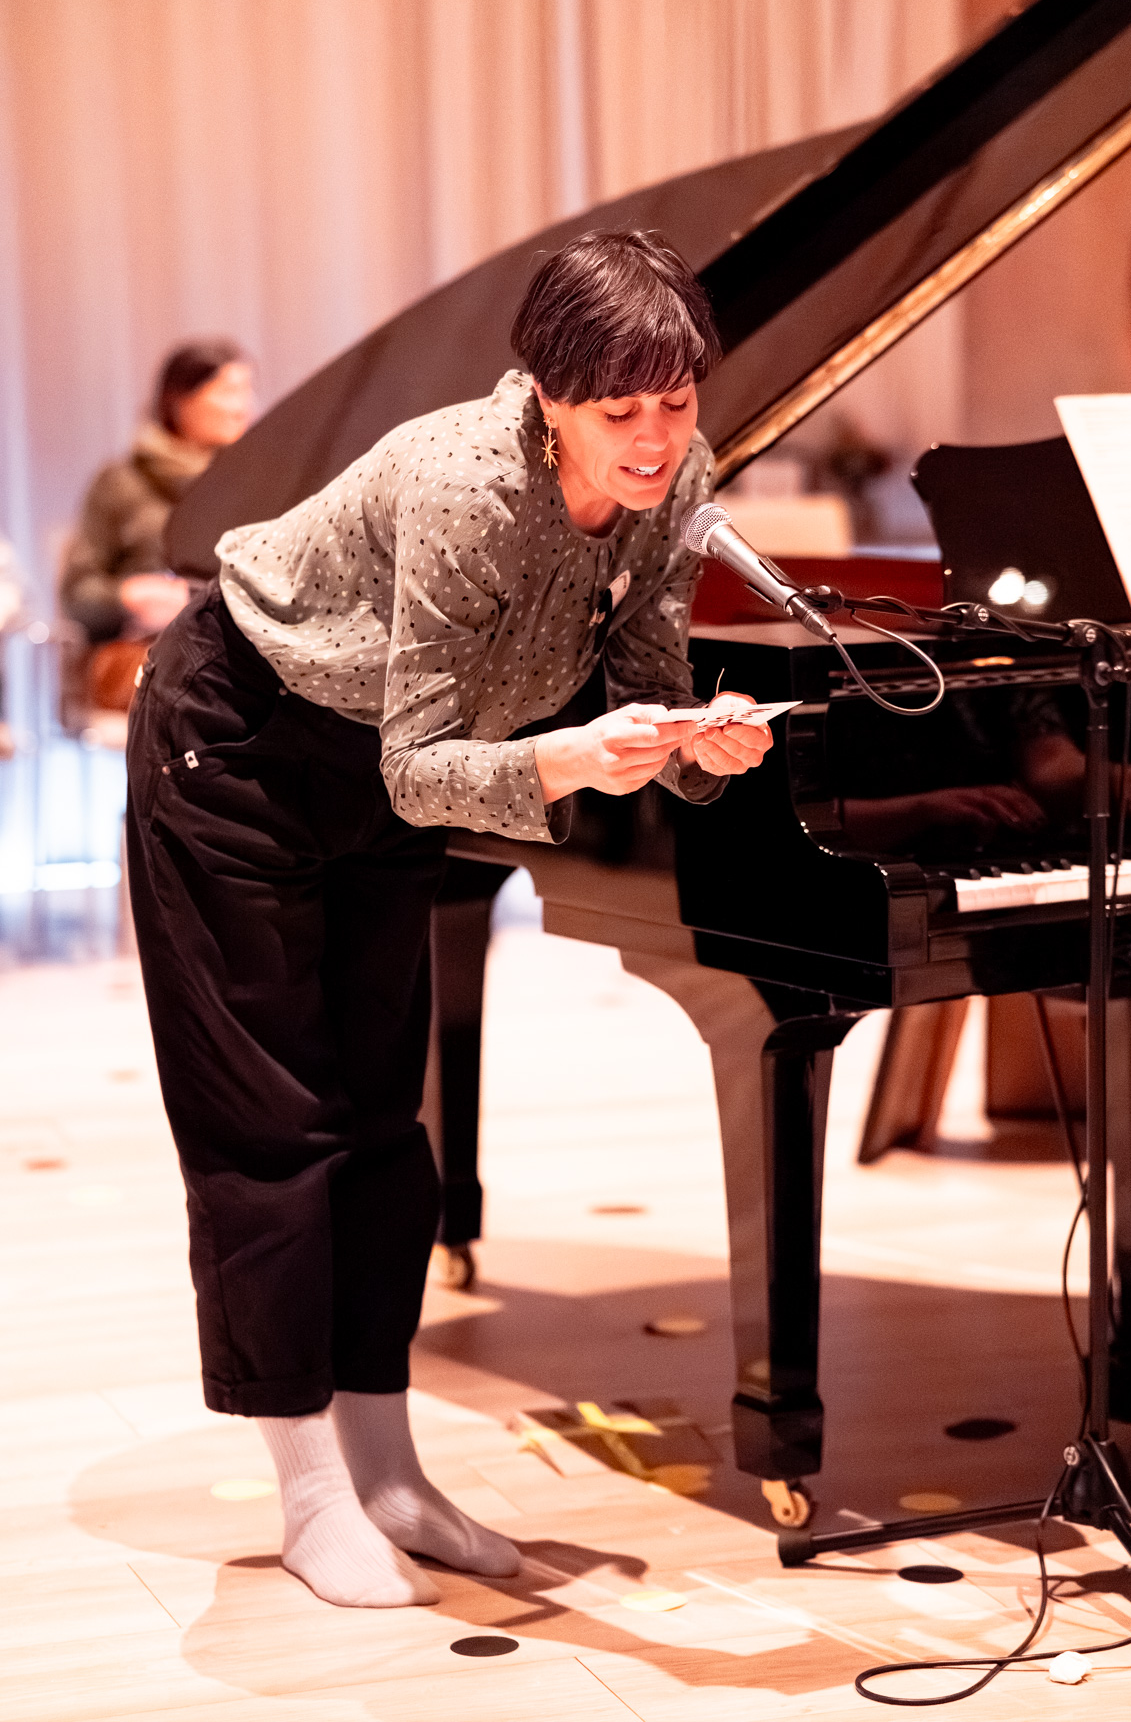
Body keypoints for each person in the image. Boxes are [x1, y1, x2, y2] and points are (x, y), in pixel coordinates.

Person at [125, 230, 771, 1609]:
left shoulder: (678, 477)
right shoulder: (466, 485)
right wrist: (562, 761)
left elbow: (639, 681)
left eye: (675, 403)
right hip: (239, 747)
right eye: (619, 411)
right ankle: (311, 1496)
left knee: (385, 1124)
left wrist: (691, 744)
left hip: (385, 769)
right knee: (274, 1126)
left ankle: (389, 1473)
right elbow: (423, 768)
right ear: (548, 393)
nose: (655, 440)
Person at [61, 340, 254, 710]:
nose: (243, 406)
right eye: (228, 391)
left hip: (234, 653)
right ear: (178, 399)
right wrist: (129, 597)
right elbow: (77, 595)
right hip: (145, 654)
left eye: (247, 390)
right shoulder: (121, 482)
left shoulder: (252, 481)